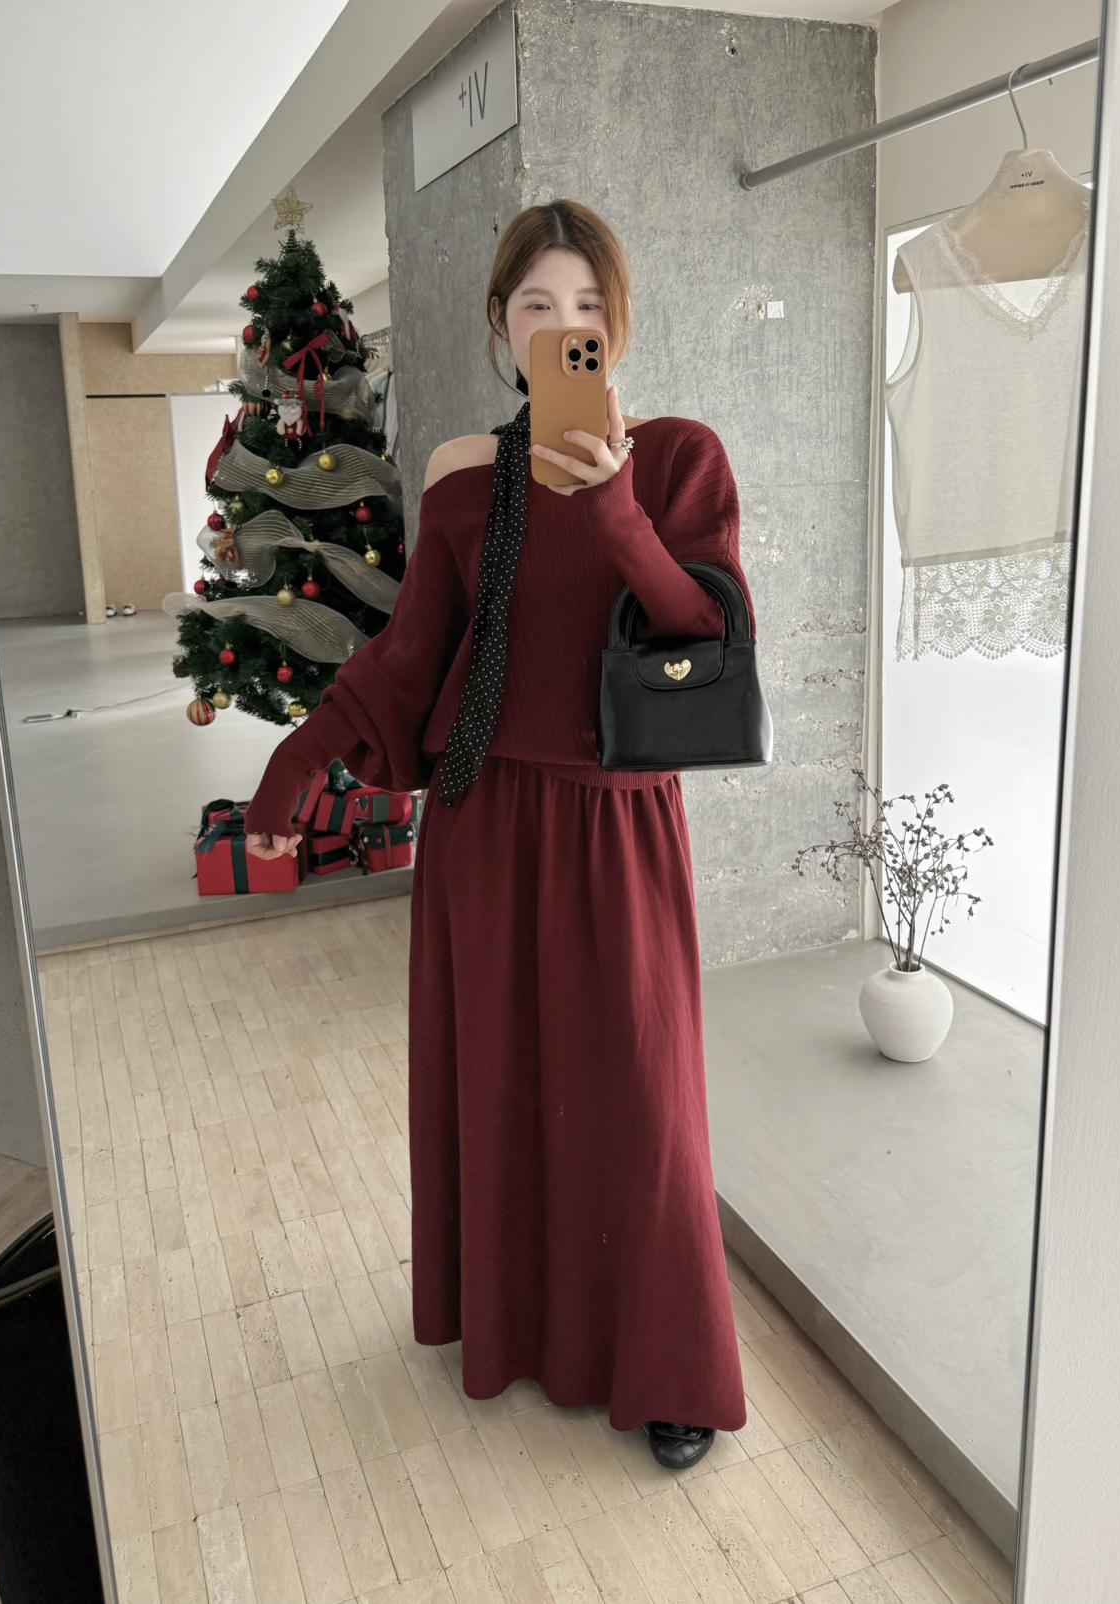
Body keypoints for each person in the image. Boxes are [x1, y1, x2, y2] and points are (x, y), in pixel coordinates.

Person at [244, 198, 755, 1469]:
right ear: (499, 323)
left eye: (586, 306)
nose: (562, 324)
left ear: (617, 323)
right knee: (508, 1085)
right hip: (484, 823)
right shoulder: (463, 474)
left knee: (641, 1101)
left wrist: (618, 506)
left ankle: (669, 1365)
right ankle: (520, 1326)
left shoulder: (678, 458)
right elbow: (415, 650)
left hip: (616, 825)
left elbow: (703, 627)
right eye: (537, 306)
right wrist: (298, 757)